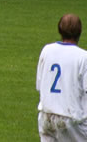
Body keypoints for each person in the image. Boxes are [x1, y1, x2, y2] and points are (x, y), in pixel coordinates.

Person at [36, 13, 87, 141]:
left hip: (46, 115)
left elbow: (39, 85)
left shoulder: (46, 50)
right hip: (70, 118)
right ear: (79, 31)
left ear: (59, 29)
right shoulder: (83, 57)